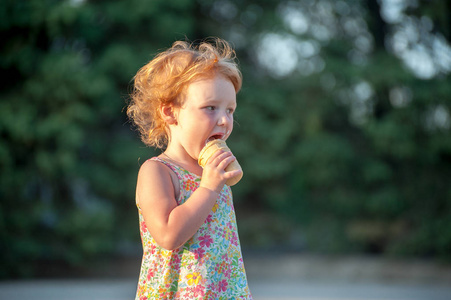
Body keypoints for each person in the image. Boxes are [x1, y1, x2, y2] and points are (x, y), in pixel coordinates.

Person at [127, 38, 253, 299]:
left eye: (230, 110)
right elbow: (168, 235)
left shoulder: (213, 173)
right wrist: (207, 187)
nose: (224, 120)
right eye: (210, 108)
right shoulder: (158, 172)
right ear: (170, 113)